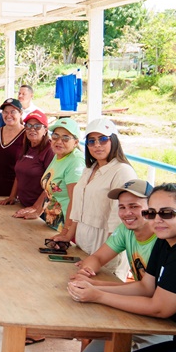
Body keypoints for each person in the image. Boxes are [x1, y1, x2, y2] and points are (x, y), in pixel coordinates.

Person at [69, 183, 176, 352]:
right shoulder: (165, 239)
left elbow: (160, 308)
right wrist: (93, 286)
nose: (157, 220)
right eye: (152, 213)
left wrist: (98, 296)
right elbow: (145, 287)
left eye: (167, 213)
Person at [64, 179, 169, 352]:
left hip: (166, 318)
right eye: (122, 207)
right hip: (138, 309)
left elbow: (149, 291)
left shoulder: (163, 238)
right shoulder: (125, 230)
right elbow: (98, 257)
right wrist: (87, 271)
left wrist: (97, 289)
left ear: (151, 207)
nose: (127, 213)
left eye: (134, 206)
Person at [52, 118, 136, 277]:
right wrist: (67, 236)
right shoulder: (90, 169)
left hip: (107, 245)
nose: (97, 145)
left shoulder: (122, 172)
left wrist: (101, 257)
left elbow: (119, 221)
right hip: (83, 243)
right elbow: (78, 208)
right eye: (91, 141)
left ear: (114, 141)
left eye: (103, 139)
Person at [15, 118, 85, 233]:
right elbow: (50, 189)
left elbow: (75, 201)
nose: (59, 141)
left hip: (66, 229)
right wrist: (38, 211)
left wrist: (66, 232)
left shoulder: (75, 161)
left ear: (76, 142)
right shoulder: (58, 155)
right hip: (53, 224)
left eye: (65, 138)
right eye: (55, 136)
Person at [6, 110, 55, 210]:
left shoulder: (49, 150)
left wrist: (35, 208)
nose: (32, 129)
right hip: (23, 204)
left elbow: (51, 184)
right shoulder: (26, 146)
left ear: (45, 130)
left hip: (41, 210)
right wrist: (12, 196)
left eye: (37, 126)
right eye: (28, 126)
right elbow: (19, 174)